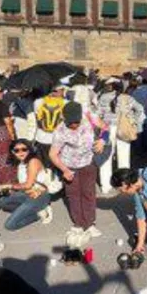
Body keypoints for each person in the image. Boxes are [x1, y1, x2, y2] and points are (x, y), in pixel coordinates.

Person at [49, 102, 103, 247]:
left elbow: (105, 128)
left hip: (88, 164)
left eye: (76, 121)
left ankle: (90, 224)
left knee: (88, 194)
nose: (74, 125)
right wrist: (65, 170)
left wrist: (102, 141)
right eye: (70, 122)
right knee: (73, 195)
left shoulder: (89, 120)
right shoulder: (60, 131)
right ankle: (78, 223)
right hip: (69, 166)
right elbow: (53, 154)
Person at [0, 140, 56, 231]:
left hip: (39, 196)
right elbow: (22, 184)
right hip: (25, 194)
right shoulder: (21, 163)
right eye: (17, 150)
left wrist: (8, 186)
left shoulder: (33, 162)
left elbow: (28, 185)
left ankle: (38, 214)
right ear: (12, 152)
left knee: (9, 225)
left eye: (24, 149)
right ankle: (30, 210)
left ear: (29, 150)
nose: (21, 152)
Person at [96, 79, 145, 191]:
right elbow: (140, 109)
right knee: (124, 156)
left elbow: (98, 114)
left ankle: (106, 186)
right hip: (124, 128)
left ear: (110, 86)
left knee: (106, 157)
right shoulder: (128, 98)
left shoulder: (104, 97)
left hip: (107, 128)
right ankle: (125, 182)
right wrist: (133, 120)